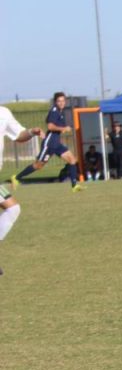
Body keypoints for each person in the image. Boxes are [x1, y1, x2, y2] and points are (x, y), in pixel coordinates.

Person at [0, 105, 44, 275]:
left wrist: (32, 132)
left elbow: (18, 135)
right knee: (12, 208)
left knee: (13, 209)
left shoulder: (4, 113)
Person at [11, 92, 83, 192]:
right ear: (55, 102)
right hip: (49, 144)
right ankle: (16, 178)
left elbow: (53, 125)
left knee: (72, 160)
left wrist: (62, 129)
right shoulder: (54, 110)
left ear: (65, 101)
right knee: (38, 165)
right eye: (59, 101)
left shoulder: (60, 112)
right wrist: (63, 128)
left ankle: (74, 186)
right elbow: (50, 126)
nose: (61, 103)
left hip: (56, 143)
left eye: (63, 101)